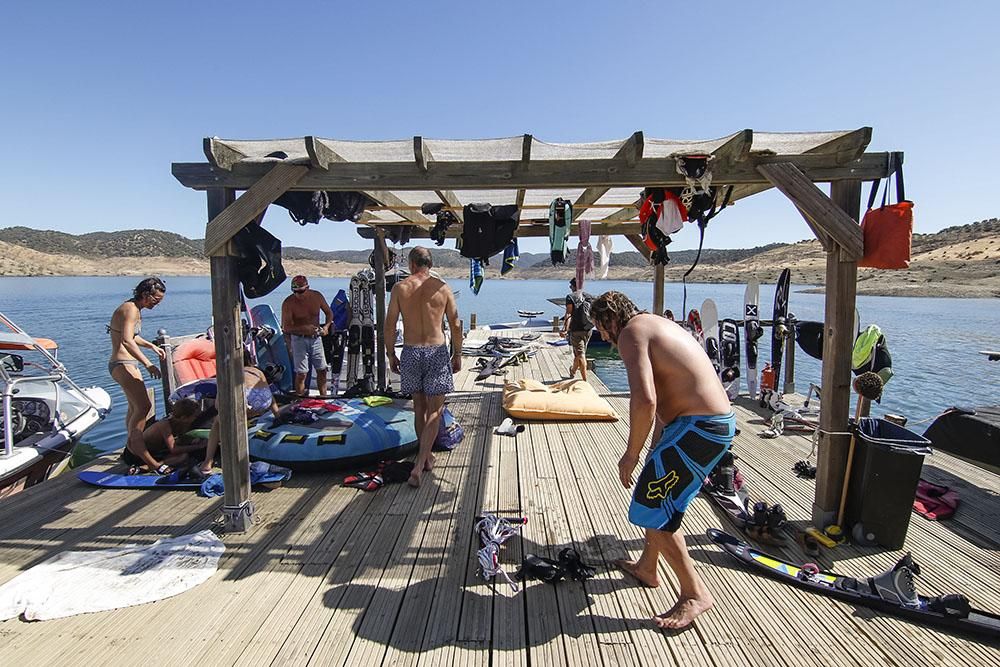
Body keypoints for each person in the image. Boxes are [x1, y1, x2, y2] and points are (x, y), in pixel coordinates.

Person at [590, 291, 734, 631]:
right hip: (705, 424)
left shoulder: (630, 332)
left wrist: (631, 454)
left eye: (601, 329)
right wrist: (654, 451)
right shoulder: (655, 324)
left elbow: (645, 400)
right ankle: (648, 566)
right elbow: (663, 404)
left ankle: (694, 593)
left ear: (610, 318)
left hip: (699, 428)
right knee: (654, 496)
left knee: (653, 505)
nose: (605, 338)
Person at [385, 247, 462, 488]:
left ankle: (427, 456)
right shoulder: (442, 288)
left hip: (410, 350)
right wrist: (457, 353)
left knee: (419, 406)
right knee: (436, 411)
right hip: (436, 351)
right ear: (430, 263)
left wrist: (390, 354)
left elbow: (389, 325)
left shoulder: (400, 288)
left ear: (411, 264)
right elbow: (456, 324)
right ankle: (419, 464)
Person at [108, 277, 168, 472]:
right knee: (144, 406)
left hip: (125, 363)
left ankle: (131, 445)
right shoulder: (131, 309)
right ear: (145, 294)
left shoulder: (133, 309)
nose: (156, 304)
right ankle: (137, 448)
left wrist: (151, 345)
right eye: (155, 300)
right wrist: (148, 364)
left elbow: (132, 336)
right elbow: (126, 340)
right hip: (122, 363)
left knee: (135, 408)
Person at [198, 366, 283, 475]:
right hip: (265, 400)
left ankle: (208, 461)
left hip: (246, 398)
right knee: (241, 413)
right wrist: (278, 415)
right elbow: (269, 393)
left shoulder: (227, 370)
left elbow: (218, 405)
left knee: (218, 421)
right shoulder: (256, 370)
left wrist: (223, 413)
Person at [281, 275, 333, 397]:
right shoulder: (288, 303)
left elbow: (329, 313)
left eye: (301, 291)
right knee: (301, 373)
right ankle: (300, 400)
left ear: (307, 288)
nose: (298, 294)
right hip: (299, 339)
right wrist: (303, 329)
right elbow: (286, 327)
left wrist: (326, 327)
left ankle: (323, 398)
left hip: (316, 338)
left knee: (322, 370)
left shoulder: (317, 296)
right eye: (295, 292)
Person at [122, 398, 206, 473]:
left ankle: (147, 467)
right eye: (195, 416)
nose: (196, 418)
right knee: (183, 455)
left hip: (156, 452)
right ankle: (151, 466)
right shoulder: (165, 425)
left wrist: (195, 440)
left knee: (184, 456)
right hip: (137, 455)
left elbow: (181, 441)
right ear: (184, 418)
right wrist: (198, 446)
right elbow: (174, 449)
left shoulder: (183, 424)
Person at [561, 278, 593, 381]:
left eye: (570, 286)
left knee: (580, 354)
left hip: (576, 330)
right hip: (588, 329)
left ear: (574, 286)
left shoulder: (570, 297)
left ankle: (585, 381)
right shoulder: (589, 296)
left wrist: (565, 329)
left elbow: (569, 314)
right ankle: (573, 371)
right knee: (579, 353)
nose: (570, 288)